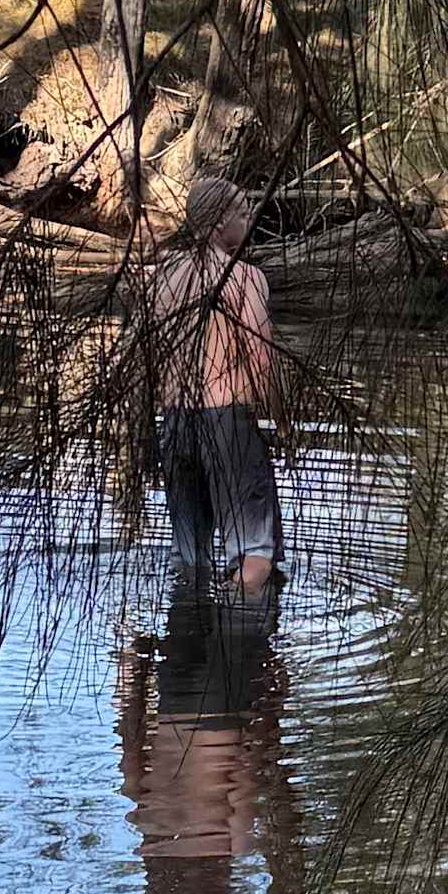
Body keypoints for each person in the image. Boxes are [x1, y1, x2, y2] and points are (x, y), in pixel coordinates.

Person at [147, 167, 280, 588]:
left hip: (175, 423)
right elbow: (259, 352)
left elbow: (144, 357)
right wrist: (279, 419)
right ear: (222, 221)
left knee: (191, 553)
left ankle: (185, 640)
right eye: (243, 212)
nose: (249, 221)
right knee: (254, 554)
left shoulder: (162, 278)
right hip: (228, 422)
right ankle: (242, 641)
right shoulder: (244, 277)